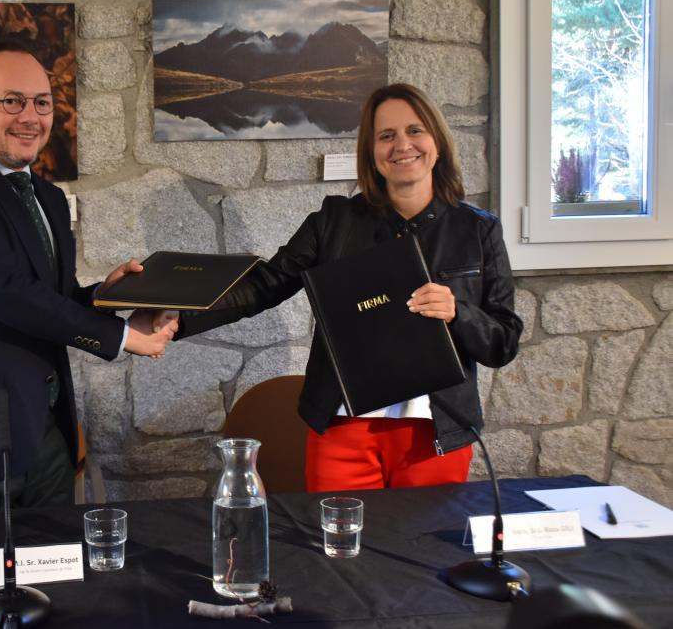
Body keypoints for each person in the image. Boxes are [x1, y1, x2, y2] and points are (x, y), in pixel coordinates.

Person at [160, 83, 522, 492]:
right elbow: (264, 284)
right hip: (342, 429)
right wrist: (178, 319)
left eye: (415, 131)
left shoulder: (478, 229)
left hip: (435, 434)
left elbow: (503, 342)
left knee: (426, 552)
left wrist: (460, 311)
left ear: (437, 141)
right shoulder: (333, 221)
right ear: (371, 152)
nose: (402, 145)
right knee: (337, 552)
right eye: (386, 136)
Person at [0, 37, 177, 514]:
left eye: (42, 102)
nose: (30, 116)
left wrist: (103, 297)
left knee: (55, 583)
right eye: (11, 101)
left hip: (46, 436)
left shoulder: (46, 197)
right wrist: (121, 336)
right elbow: (8, 294)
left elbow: (52, 298)